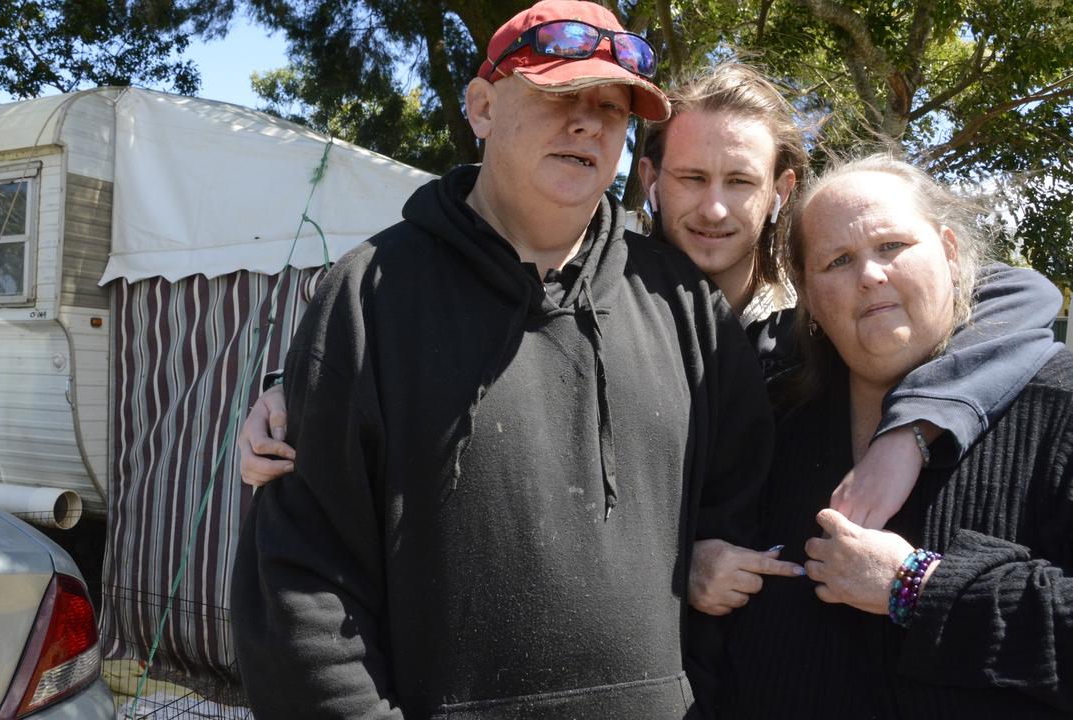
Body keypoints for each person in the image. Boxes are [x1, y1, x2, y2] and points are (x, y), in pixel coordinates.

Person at [239, 62, 1064, 617]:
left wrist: (915, 429)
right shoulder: (581, 295)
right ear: (649, 179)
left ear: (779, 191)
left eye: (739, 182)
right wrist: (302, 388)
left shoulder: (812, 319)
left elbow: (1012, 293)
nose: (712, 210)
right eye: (691, 180)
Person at [230, 2, 775, 718]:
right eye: (560, 95)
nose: (589, 123)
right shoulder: (369, 298)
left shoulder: (683, 308)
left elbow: (739, 536)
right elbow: (299, 590)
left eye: (612, 109)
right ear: (483, 107)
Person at [719, 155, 1073, 718]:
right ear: (808, 296)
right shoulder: (774, 418)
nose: (870, 275)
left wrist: (921, 588)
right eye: (837, 260)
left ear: (951, 254)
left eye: (892, 247)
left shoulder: (1058, 406)